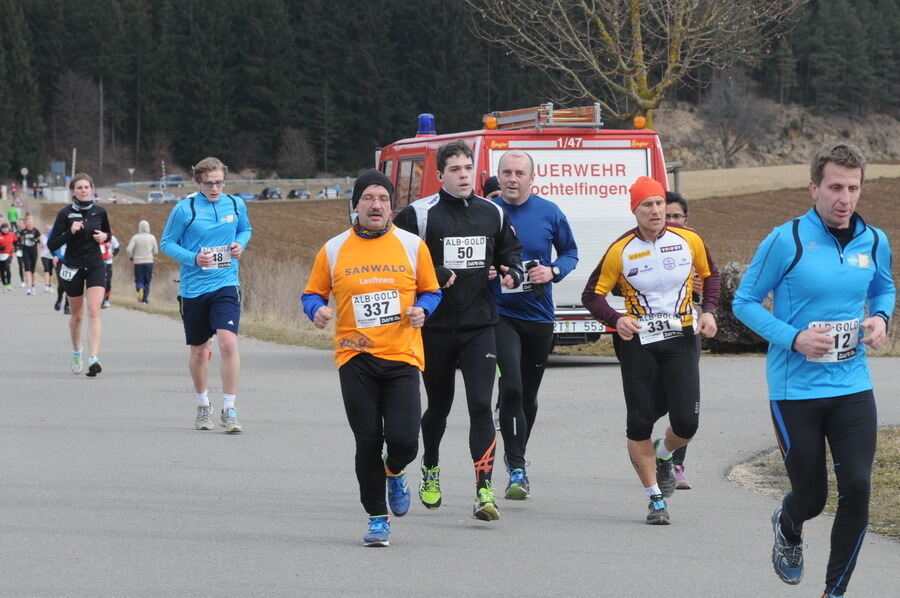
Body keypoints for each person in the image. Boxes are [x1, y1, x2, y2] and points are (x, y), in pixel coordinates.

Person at [733, 143, 894, 598]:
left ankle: (834, 592)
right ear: (814, 188)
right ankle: (788, 525)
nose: (845, 198)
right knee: (812, 496)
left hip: (852, 384)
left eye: (854, 188)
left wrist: (881, 319)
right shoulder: (788, 239)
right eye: (836, 187)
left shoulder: (875, 241)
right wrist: (793, 337)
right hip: (794, 388)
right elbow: (743, 302)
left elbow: (884, 289)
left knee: (858, 489)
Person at [302, 170, 442, 547]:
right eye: (368, 198)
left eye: (382, 198)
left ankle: (395, 470)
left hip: (402, 356)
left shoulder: (413, 246)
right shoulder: (333, 249)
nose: (376, 204)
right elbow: (312, 294)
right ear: (356, 204)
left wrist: (423, 310)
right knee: (367, 440)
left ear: (391, 205)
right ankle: (377, 518)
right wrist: (315, 310)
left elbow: (431, 291)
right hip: (355, 357)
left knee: (405, 442)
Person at [393, 139, 524, 521]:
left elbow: (509, 252)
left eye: (468, 168)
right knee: (439, 407)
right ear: (440, 176)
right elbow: (396, 258)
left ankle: (484, 491)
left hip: (480, 325)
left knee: (482, 406)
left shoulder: (492, 213)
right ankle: (431, 467)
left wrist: (512, 272)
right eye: (455, 169)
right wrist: (432, 274)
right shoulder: (419, 215)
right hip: (435, 328)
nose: (464, 175)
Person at [582, 176, 719, 525]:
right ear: (636, 210)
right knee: (640, 420)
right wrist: (616, 319)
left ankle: (664, 455)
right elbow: (592, 295)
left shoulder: (688, 240)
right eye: (648, 205)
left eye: (659, 203)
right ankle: (655, 499)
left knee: (687, 421)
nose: (657, 211)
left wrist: (710, 312)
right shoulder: (620, 249)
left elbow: (711, 275)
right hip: (638, 342)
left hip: (681, 337)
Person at [490, 150, 578, 500]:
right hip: (500, 314)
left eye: (519, 173)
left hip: (539, 316)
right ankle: (516, 468)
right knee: (510, 387)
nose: (512, 179)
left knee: (527, 394)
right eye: (506, 173)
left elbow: (571, 253)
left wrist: (553, 271)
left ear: (531, 178)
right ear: (499, 177)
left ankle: (517, 456)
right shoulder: (488, 212)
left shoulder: (549, 213)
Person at [160, 157, 252, 433]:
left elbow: (245, 229)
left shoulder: (235, 204)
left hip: (225, 283)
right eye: (209, 183)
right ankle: (203, 405)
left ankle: (230, 408)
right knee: (200, 351)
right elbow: (166, 243)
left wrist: (240, 244)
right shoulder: (184, 209)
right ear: (198, 182)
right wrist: (193, 259)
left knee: (228, 343)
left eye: (220, 182)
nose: (215, 188)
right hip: (194, 289)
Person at [47, 173, 112, 377]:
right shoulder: (65, 214)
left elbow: (108, 235)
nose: (84, 191)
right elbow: (52, 244)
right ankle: (77, 351)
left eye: (87, 187)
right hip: (72, 266)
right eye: (79, 188)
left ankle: (93, 357)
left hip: (95, 265)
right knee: (77, 316)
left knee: (94, 310)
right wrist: (70, 232)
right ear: (73, 191)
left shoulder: (100, 212)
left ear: (92, 189)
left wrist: (105, 237)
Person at [659, 191, 696, 490]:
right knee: (656, 400)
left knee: (684, 403)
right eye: (666, 215)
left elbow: (712, 282)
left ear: (685, 219)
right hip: (651, 337)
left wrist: (701, 294)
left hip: (686, 333)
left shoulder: (694, 245)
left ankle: (675, 461)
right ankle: (655, 452)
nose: (671, 221)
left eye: (676, 216)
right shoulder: (642, 246)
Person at [126, 219, 159, 303]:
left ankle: (140, 288)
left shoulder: (135, 237)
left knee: (139, 280)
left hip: (138, 262)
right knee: (147, 281)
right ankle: (144, 300)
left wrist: (131, 257)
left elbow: (128, 250)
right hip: (149, 262)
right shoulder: (152, 237)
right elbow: (156, 251)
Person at [18, 215, 41, 296]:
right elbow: (19, 240)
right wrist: (19, 246)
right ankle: (28, 288)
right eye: (28, 221)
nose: (29, 223)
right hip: (25, 251)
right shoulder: (23, 231)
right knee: (27, 269)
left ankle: (33, 286)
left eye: (31, 221)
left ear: (33, 222)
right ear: (26, 223)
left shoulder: (36, 231)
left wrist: (35, 240)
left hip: (33, 251)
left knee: (32, 271)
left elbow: (40, 241)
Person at [100, 231, 120, 308]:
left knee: (108, 281)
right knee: (100, 282)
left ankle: (106, 300)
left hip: (108, 262)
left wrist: (113, 254)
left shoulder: (112, 238)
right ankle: (100, 300)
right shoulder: (97, 236)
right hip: (98, 263)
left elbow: (117, 248)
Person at [0, 222, 16, 291]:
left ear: (8, 228)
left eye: (6, 228)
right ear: (1, 229)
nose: (5, 230)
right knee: (2, 270)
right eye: (3, 228)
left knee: (7, 268)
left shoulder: (12, 234)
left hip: (9, 254)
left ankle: (9, 284)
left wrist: (17, 247)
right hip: (1, 255)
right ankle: (4, 284)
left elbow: (16, 242)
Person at [39, 224, 54, 293]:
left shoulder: (54, 236)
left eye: (49, 229)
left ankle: (50, 285)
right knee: (46, 269)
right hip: (44, 255)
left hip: (52, 256)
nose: (48, 230)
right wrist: (41, 244)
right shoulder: (42, 236)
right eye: (47, 229)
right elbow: (41, 245)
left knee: (50, 271)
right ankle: (46, 285)